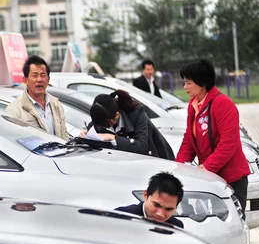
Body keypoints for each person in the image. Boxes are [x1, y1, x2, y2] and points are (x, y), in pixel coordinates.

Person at [175, 59, 250, 216]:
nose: (185, 87)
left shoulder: (223, 104)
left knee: (232, 223)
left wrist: (207, 167)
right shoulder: (193, 104)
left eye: (188, 83)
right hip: (210, 178)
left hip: (231, 178)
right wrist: (178, 169)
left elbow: (228, 144)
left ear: (201, 83)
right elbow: (189, 139)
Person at [82, 90, 175, 160]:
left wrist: (114, 138)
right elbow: (92, 133)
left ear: (117, 115)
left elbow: (141, 145)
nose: (104, 127)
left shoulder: (136, 113)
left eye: (107, 124)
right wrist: (85, 137)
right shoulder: (100, 118)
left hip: (154, 158)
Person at [5, 55, 68, 139]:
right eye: (35, 75)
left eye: (43, 75)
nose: (39, 79)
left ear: (48, 79)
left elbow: (64, 137)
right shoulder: (15, 110)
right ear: (25, 80)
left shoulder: (56, 105)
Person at [116, 172, 184, 228]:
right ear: (145, 195)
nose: (160, 214)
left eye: (168, 209)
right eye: (157, 205)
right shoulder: (119, 216)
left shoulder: (176, 227)